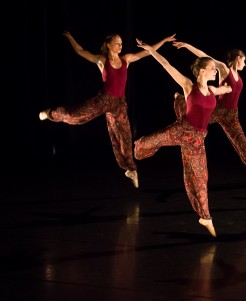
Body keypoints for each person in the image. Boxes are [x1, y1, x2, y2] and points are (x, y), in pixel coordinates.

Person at [39, 31, 176, 189]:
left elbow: (147, 52)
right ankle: (51, 113)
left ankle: (131, 169)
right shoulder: (101, 60)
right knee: (75, 116)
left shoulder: (126, 60)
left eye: (121, 43)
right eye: (117, 43)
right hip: (103, 101)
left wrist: (164, 40)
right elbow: (81, 51)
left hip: (120, 105)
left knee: (124, 138)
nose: (120, 46)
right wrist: (70, 38)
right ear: (109, 45)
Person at [133, 38, 232, 237]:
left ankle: (205, 216)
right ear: (202, 71)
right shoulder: (188, 85)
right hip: (183, 129)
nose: (215, 71)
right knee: (149, 141)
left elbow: (227, 88)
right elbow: (165, 64)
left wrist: (229, 89)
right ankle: (138, 147)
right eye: (212, 68)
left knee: (201, 177)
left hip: (197, 140)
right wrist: (151, 49)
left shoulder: (212, 90)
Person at [170, 40, 246, 187]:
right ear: (238, 58)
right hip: (218, 110)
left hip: (232, 115)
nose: (245, 64)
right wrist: (187, 46)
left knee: (243, 144)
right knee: (193, 121)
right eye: (244, 61)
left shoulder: (238, 75)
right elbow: (205, 56)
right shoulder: (224, 69)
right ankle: (181, 99)